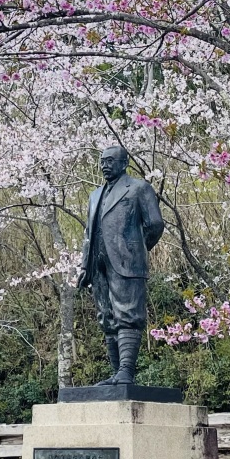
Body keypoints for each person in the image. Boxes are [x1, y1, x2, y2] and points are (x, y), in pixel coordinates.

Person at [76, 145, 165, 384]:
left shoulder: (139, 189)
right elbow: (89, 232)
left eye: (110, 160)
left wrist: (135, 247)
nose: (105, 165)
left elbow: (155, 224)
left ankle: (126, 371)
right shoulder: (95, 195)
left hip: (127, 262)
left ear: (124, 163)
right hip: (98, 264)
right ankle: (116, 373)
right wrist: (85, 265)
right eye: (102, 161)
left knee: (128, 313)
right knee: (106, 316)